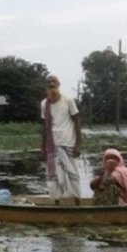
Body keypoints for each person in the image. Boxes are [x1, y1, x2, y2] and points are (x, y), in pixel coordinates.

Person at [40, 75, 82, 206]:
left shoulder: (68, 100)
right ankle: (56, 203)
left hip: (68, 142)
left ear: (58, 84)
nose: (51, 84)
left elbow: (77, 122)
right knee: (53, 176)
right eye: (49, 82)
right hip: (52, 145)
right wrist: (42, 149)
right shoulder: (44, 104)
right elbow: (44, 126)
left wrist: (78, 145)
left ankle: (78, 203)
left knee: (73, 175)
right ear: (46, 86)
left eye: (54, 82)